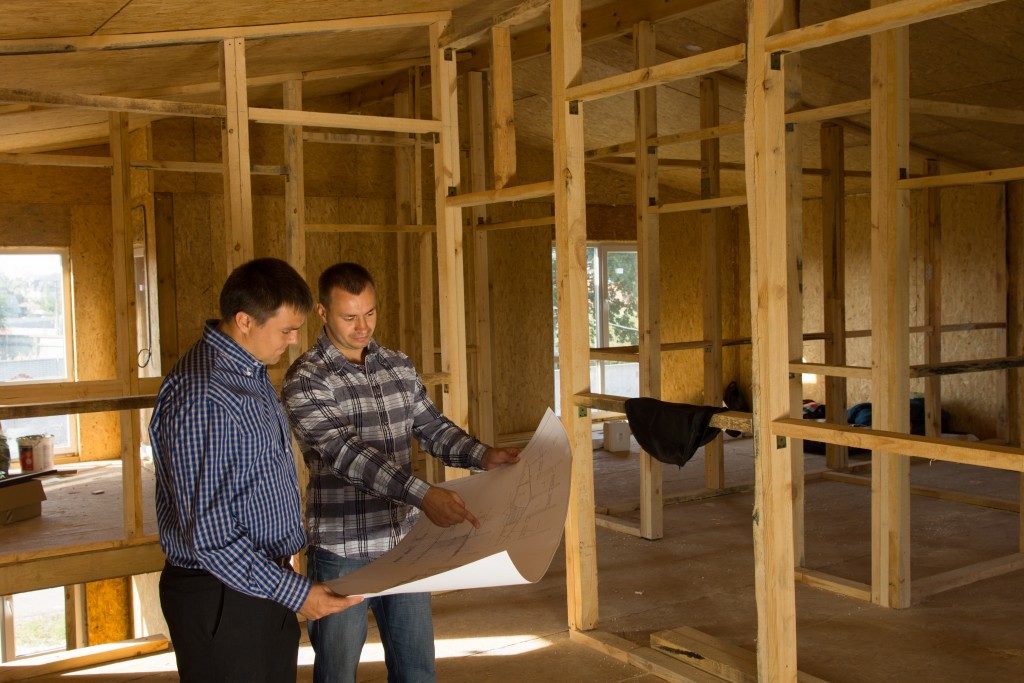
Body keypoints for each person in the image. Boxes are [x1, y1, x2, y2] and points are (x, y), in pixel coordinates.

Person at [283, 262, 520, 683]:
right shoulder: (306, 378)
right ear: (322, 313)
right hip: (342, 551)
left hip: (404, 543)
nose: (363, 327)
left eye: (370, 313)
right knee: (337, 673)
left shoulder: (397, 365)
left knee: (417, 671)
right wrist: (423, 495)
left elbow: (431, 428)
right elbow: (346, 454)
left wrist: (482, 456)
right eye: (349, 316)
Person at [150, 257, 362, 682]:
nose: (294, 339)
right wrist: (296, 593)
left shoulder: (247, 371)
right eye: (285, 330)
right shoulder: (205, 395)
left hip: (257, 581)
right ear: (245, 320)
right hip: (221, 593)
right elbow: (209, 536)